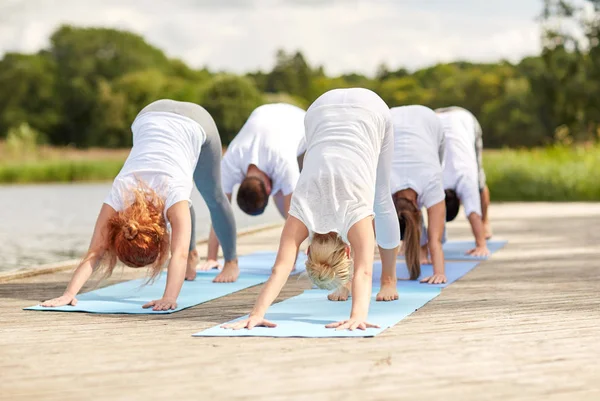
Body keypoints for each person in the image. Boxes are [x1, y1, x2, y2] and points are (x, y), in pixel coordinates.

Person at [223, 88, 400, 332]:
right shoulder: (300, 212)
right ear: (308, 252)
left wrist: (358, 315)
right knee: (381, 196)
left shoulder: (356, 215)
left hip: (370, 109)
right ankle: (389, 280)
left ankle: (387, 279)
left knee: (379, 196)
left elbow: (364, 270)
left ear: (347, 250)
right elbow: (281, 267)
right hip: (320, 107)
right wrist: (256, 313)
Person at [40, 99, 238, 312]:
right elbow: (96, 251)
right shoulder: (120, 192)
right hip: (148, 114)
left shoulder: (170, 193)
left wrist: (169, 297)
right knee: (178, 211)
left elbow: (175, 254)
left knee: (214, 194)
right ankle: (193, 257)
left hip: (194, 119)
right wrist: (69, 294)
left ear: (162, 237)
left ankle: (231, 262)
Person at [201, 103, 306, 271]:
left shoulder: (283, 162)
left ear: (268, 190)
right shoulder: (229, 164)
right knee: (286, 199)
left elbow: (293, 215)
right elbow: (218, 211)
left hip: (304, 123)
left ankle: (315, 249)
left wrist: (287, 263)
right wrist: (211, 258)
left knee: (303, 201)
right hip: (265, 113)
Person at [390, 105, 447, 285]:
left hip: (419, 120)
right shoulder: (430, 181)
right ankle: (420, 250)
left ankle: (420, 250)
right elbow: (435, 241)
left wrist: (388, 279)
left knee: (437, 167)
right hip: (414, 116)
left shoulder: (382, 186)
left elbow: (378, 240)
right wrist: (439, 272)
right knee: (437, 167)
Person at [436, 106, 492, 257]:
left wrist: (482, 246)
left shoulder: (463, 181)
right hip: (439, 117)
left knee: (478, 182)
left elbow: (473, 214)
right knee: (477, 182)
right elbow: (472, 214)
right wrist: (480, 245)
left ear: (460, 200)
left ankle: (485, 222)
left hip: (460, 119)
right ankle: (485, 224)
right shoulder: (435, 181)